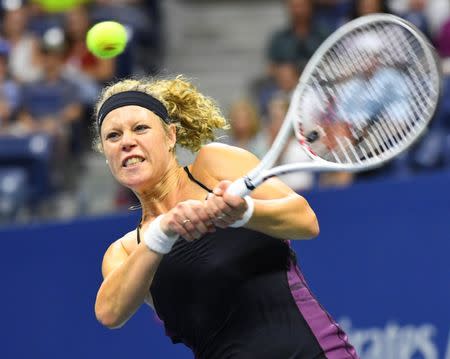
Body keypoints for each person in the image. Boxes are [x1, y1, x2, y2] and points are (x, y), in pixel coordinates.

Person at [94, 76, 360, 358]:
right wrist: (161, 232)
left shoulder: (214, 164)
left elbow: (306, 221)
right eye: (113, 136)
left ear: (170, 136)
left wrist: (244, 213)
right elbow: (110, 313)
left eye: (140, 128)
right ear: (106, 153)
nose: (127, 142)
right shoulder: (124, 251)